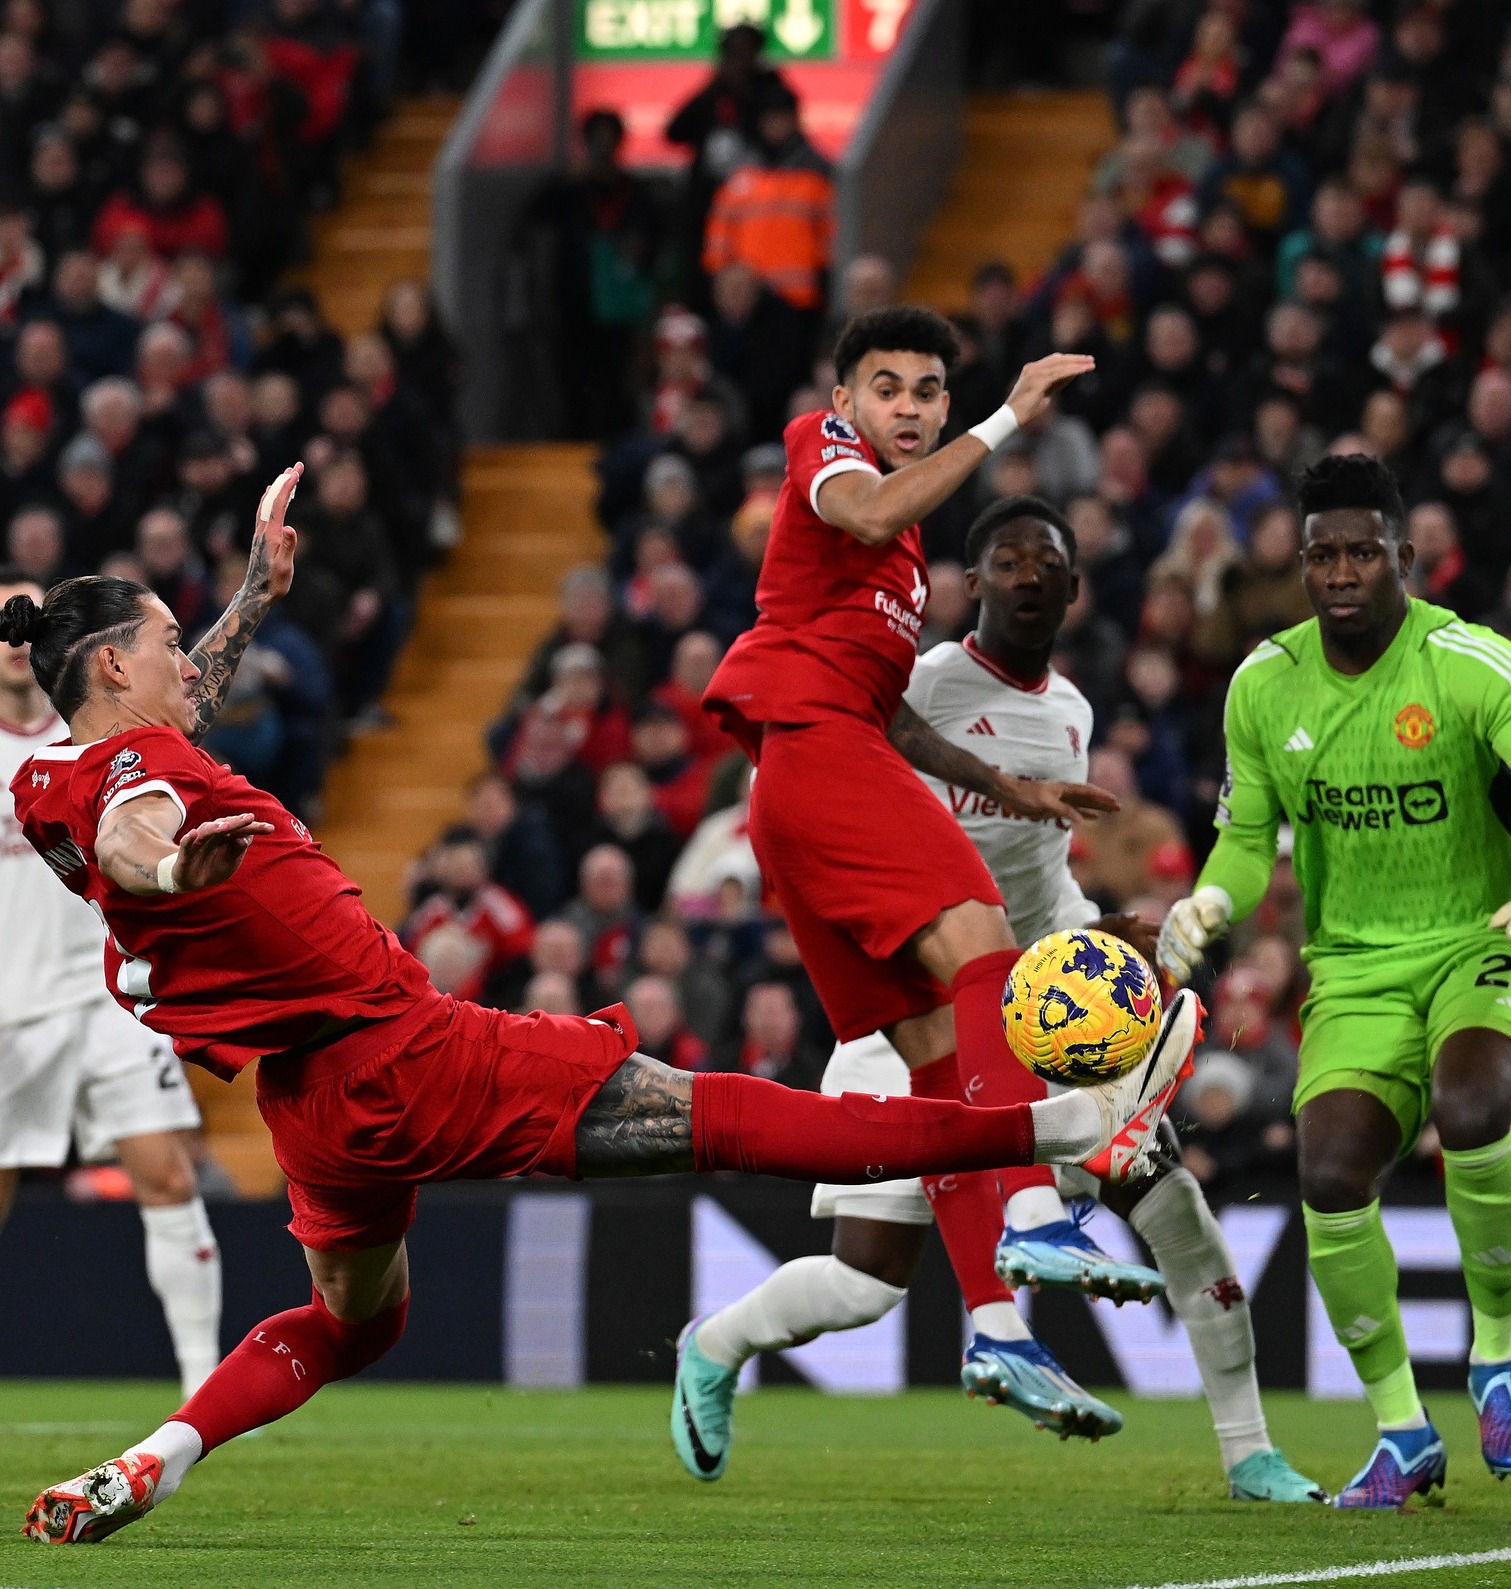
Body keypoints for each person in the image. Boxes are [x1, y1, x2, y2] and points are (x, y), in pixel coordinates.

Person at [7, 468, 1195, 1544]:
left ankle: (157, 1456)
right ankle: (1058, 1127)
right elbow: (135, 832)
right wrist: (170, 871)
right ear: (112, 664)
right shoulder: (118, 787)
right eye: (164, 639)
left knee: (358, 1325)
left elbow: (162, 738)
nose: (184, 657)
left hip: (311, 1103)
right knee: (728, 1115)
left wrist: (257, 592)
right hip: (409, 1054)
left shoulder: (78, 762)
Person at [678, 498, 1322, 1503]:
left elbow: (1038, 877)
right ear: (968, 586)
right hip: (913, 1017)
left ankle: (1249, 1452)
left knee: (1178, 1211)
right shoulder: (914, 688)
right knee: (863, 1282)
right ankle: (714, 1342)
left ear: (1072, 587)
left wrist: (1105, 927)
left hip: (1035, 1014)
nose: (1028, 575)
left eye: (1048, 562)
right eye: (1006, 560)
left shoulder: (1069, 714)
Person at [697, 307, 1199, 1470]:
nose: (910, 407)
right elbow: (867, 508)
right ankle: (1030, 1210)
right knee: (986, 946)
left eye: (929, 389)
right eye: (890, 388)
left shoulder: (901, 557)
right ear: (847, 397)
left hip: (825, 757)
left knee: (936, 1051)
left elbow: (891, 706)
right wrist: (1006, 416)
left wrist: (999, 783)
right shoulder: (826, 452)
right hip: (814, 752)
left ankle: (991, 1326)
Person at [1157, 454, 1511, 1508]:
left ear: (1402, 554)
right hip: (1350, 965)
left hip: (1481, 934)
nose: (1340, 570)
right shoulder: (1262, 682)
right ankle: (1400, 1428)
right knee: (1330, 1172)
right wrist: (1209, 901)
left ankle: (1494, 1359)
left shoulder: (1465, 659)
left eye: (1360, 550)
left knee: (1472, 1100)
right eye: (1320, 554)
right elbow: (1246, 838)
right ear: (1300, 564)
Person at [0, 565, 221, 1403]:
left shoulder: (95, 742)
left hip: (105, 997)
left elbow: (184, 690)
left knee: (166, 1171)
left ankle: (204, 1379)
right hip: (6, 1008)